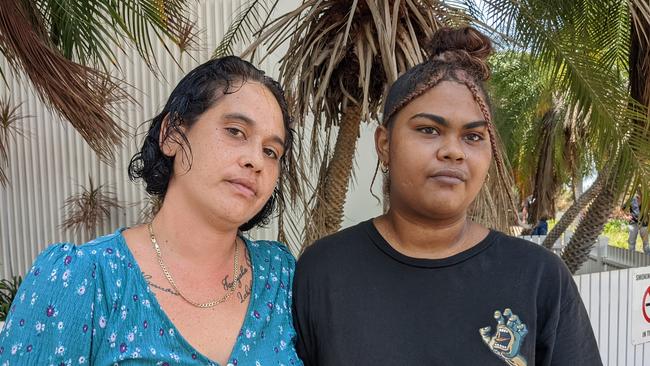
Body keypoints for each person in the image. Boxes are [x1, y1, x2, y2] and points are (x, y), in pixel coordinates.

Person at [292, 27, 602, 365]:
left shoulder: (539, 278)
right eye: (429, 130)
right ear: (384, 144)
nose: (453, 151)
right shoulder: (324, 271)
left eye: (472, 136)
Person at [0, 56, 302, 365]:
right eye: (236, 131)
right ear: (171, 134)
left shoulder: (281, 276)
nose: (256, 160)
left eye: (271, 151)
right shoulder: (82, 279)